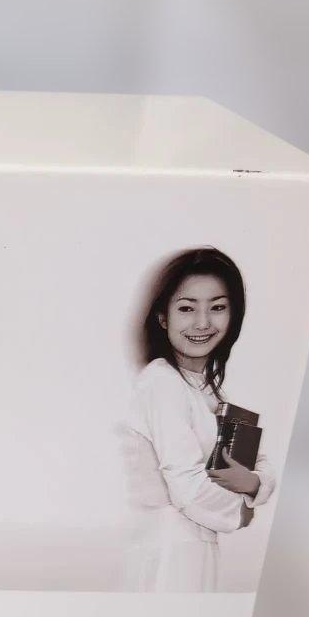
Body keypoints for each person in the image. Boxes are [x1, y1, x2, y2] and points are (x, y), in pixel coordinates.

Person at [123, 247, 275, 592]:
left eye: (217, 307)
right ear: (163, 318)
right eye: (187, 308)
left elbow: (259, 461)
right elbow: (187, 488)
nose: (203, 323)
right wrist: (243, 511)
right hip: (170, 550)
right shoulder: (162, 382)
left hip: (194, 546)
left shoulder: (207, 390)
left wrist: (253, 484)